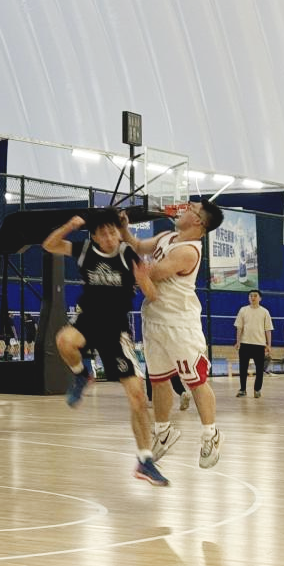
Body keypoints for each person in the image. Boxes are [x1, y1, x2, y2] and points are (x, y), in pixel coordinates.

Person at [43, 211, 165, 485]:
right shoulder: (85, 250)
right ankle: (81, 374)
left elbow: (152, 295)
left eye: (113, 232)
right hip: (88, 322)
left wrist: (143, 279)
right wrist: (69, 225)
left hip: (116, 332)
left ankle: (145, 461)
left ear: (119, 233)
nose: (109, 238)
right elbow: (49, 245)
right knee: (64, 340)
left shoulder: (128, 255)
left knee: (137, 397)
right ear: (95, 237)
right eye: (103, 233)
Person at [123, 199, 225, 471]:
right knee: (158, 380)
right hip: (154, 318)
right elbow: (138, 245)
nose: (185, 209)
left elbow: (151, 273)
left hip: (180, 324)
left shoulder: (189, 251)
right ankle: (163, 431)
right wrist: (122, 230)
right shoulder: (167, 236)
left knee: (195, 380)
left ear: (199, 221)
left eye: (192, 209)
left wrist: (112, 262)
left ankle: (211, 434)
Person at [234, 290, 273, 398]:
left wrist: (269, 345)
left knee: (259, 369)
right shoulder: (243, 310)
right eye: (251, 296)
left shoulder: (265, 312)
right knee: (243, 368)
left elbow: (268, 329)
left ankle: (257, 389)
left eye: (255, 296)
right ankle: (242, 390)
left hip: (259, 345)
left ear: (260, 298)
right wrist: (238, 342)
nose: (253, 297)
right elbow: (239, 327)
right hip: (245, 344)